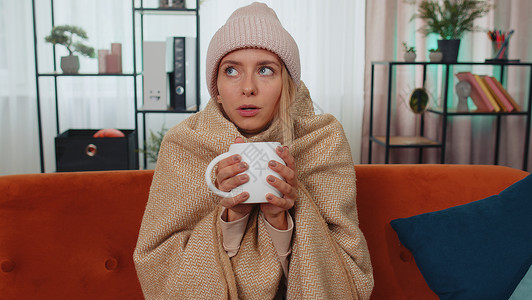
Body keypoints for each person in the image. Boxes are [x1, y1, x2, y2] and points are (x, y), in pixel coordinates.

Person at [133, 2, 373, 299]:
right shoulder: (184, 144)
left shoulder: (322, 139)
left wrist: (281, 218)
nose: (248, 87)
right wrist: (232, 215)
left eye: (265, 70)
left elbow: (349, 269)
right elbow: (158, 263)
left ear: (287, 84)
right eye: (231, 70)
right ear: (216, 89)